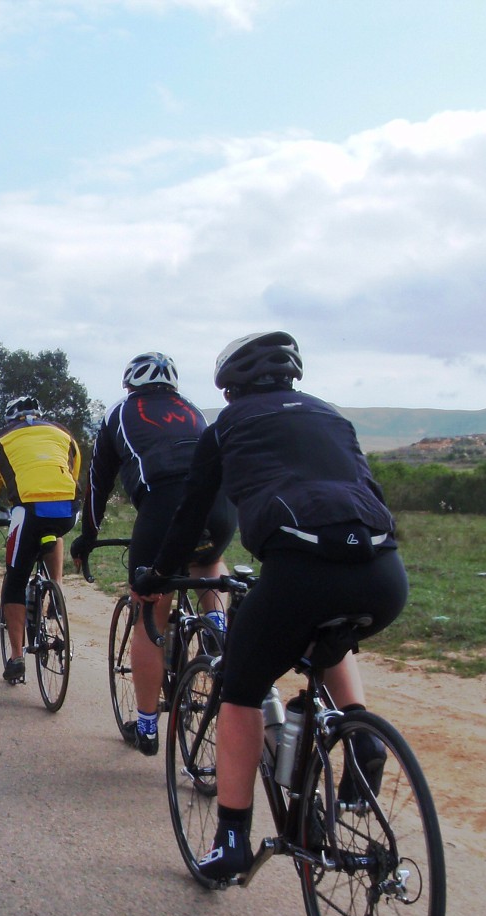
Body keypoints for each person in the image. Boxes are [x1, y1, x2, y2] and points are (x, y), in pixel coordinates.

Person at [134, 332, 407, 880]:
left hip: (300, 572)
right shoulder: (332, 417)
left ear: (230, 385)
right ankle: (360, 734)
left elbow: (191, 512)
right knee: (332, 636)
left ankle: (231, 839)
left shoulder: (228, 426)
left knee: (240, 690)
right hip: (383, 575)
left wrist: (159, 574)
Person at [70, 352, 237, 756]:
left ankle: (146, 727)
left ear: (129, 384)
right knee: (208, 562)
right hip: (218, 507)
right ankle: (217, 627)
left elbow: (98, 485)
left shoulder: (119, 414)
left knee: (148, 609)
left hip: (163, 506)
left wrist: (88, 537)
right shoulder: (192, 410)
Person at [0, 396, 82, 685]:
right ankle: (56, 590)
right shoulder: (63, 433)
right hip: (68, 508)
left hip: (29, 510)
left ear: (10, 420)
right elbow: (74, 469)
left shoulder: (1, 440)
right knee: (54, 533)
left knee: (16, 579)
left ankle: (17, 656)